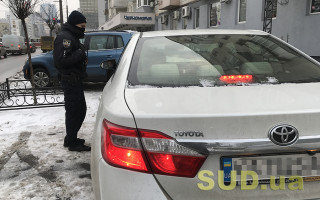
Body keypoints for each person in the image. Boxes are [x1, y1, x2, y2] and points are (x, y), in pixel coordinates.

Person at [53, 10, 91, 151]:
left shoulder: (72, 36)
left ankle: (71, 138)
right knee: (75, 111)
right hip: (70, 82)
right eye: (82, 26)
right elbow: (60, 61)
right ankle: (72, 142)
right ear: (75, 24)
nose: (83, 29)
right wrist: (80, 53)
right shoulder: (65, 38)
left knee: (79, 110)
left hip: (75, 80)